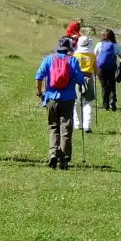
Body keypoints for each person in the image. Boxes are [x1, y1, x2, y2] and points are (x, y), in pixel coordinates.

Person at [35, 36, 85, 169]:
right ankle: (64, 159)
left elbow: (38, 76)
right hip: (67, 98)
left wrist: (39, 92)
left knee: (53, 126)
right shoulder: (72, 60)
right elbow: (80, 80)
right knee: (66, 127)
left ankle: (53, 152)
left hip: (51, 98)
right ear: (68, 48)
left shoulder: (49, 59)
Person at [74, 31, 99, 134]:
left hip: (77, 79)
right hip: (89, 78)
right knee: (88, 102)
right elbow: (96, 69)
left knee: (76, 102)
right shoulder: (92, 55)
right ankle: (87, 126)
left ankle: (77, 124)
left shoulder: (76, 55)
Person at [96, 28, 121, 112]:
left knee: (104, 86)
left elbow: (95, 54)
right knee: (112, 85)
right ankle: (112, 101)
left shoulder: (99, 44)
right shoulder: (115, 45)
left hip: (101, 68)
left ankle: (105, 105)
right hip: (112, 67)